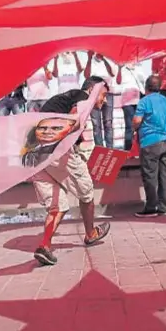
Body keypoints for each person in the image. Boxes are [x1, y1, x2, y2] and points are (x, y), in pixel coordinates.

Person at [32, 75, 112, 266]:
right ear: (93, 89)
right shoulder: (81, 97)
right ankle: (91, 233)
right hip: (57, 151)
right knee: (86, 192)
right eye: (103, 94)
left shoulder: (64, 99)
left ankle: (44, 246)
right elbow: (75, 115)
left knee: (57, 206)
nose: (105, 100)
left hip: (36, 155)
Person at [132, 75, 166, 217]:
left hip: (150, 142)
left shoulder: (144, 101)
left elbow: (137, 120)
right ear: (159, 87)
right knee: (164, 176)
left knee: (150, 176)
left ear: (146, 87)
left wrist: (134, 128)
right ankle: (164, 207)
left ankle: (151, 207)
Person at [85, 51, 116, 148]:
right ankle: (99, 149)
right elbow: (86, 75)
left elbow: (112, 73)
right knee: (96, 124)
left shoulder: (110, 59)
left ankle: (110, 149)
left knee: (108, 122)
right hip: (94, 95)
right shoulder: (91, 60)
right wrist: (89, 58)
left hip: (108, 93)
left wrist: (104, 58)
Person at [116, 61, 146, 150]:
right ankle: (128, 150)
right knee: (129, 126)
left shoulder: (139, 67)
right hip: (127, 101)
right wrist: (120, 68)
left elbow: (143, 81)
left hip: (139, 99)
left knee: (140, 125)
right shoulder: (122, 67)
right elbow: (118, 81)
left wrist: (135, 69)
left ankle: (140, 149)